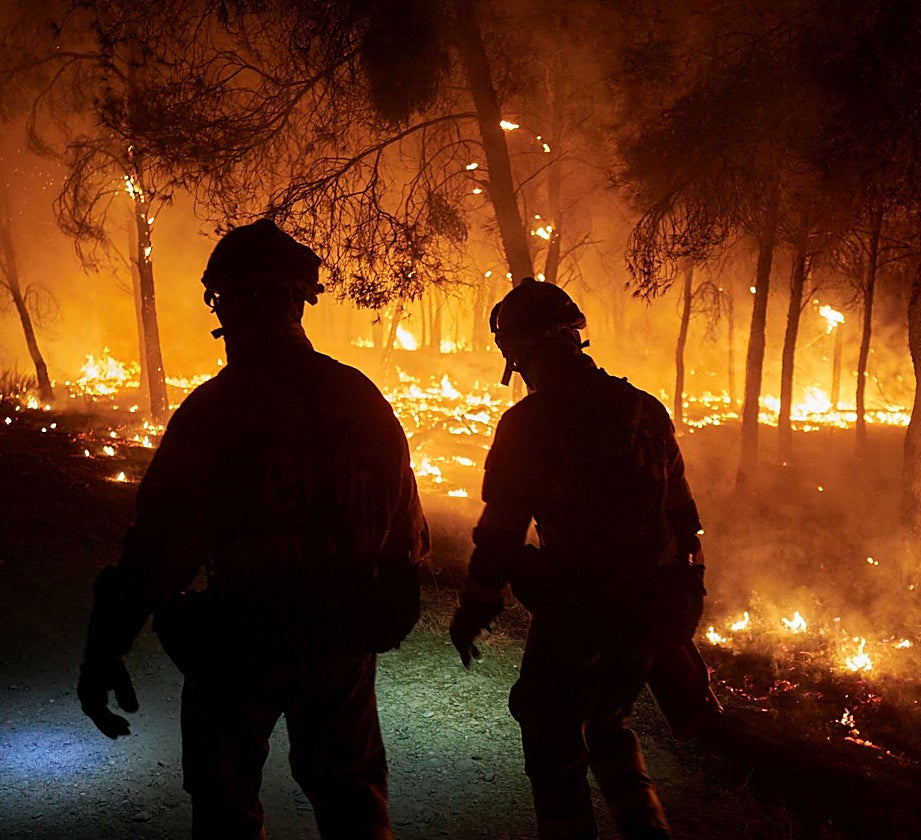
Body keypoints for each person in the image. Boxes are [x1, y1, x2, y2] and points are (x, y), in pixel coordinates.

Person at [77, 219, 429, 840]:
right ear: (301, 302)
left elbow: (162, 549)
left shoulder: (216, 411)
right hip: (338, 641)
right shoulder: (360, 400)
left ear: (224, 304)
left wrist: (107, 643)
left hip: (239, 641)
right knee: (352, 797)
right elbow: (407, 537)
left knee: (225, 803)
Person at [450, 277, 713, 840]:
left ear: (518, 354)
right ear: (575, 336)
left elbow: (500, 534)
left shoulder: (529, 423)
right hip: (650, 609)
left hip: (578, 614)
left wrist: (475, 607)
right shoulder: (644, 409)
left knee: (549, 732)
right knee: (610, 722)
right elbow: (684, 521)